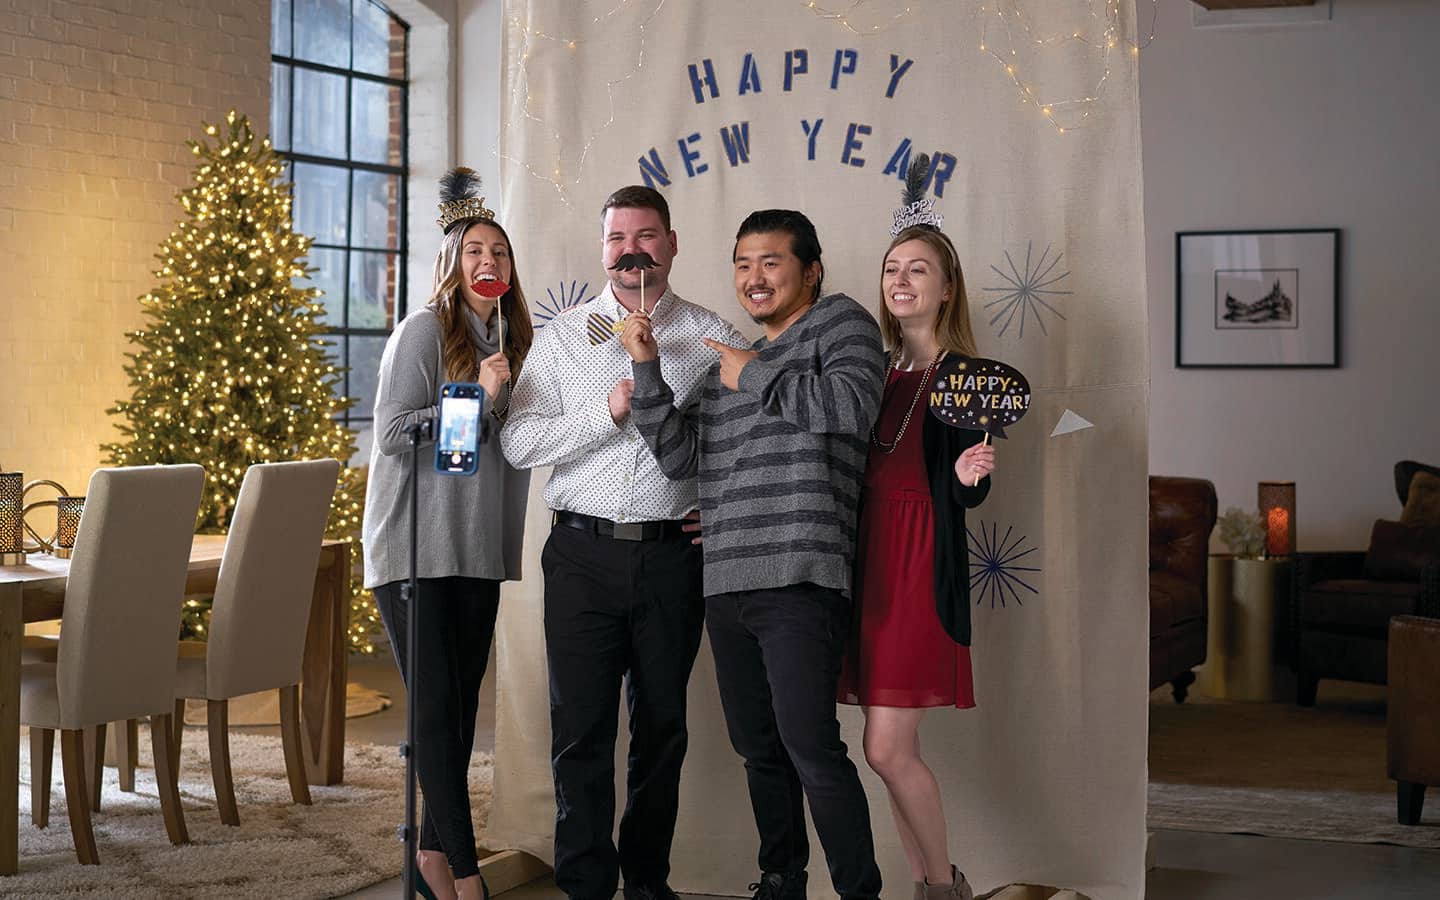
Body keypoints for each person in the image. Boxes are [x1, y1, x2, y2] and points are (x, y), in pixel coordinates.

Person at [626, 209, 886, 900]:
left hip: (801, 574)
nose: (753, 277)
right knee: (759, 750)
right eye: (743, 263)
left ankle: (861, 891)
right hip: (728, 582)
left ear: (811, 270)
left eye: (771, 261)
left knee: (811, 748)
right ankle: (781, 879)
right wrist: (646, 371)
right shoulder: (727, 364)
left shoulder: (842, 324)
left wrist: (753, 376)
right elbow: (682, 459)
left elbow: (852, 410)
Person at [500, 185, 744, 900]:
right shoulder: (561, 337)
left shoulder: (709, 338)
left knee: (663, 732)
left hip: (675, 557)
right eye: (616, 238)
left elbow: (736, 452)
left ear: (670, 243)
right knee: (579, 732)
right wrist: (607, 413)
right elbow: (517, 442)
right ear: (603, 248)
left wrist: (720, 515)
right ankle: (583, 885)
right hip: (581, 556)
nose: (630, 250)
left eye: (645, 235)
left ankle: (647, 885)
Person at [362, 168, 533, 900]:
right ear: (452, 264)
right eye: (475, 251)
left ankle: (432, 854)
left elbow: (483, 456)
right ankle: (464, 874)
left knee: (459, 716)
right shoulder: (423, 331)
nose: (489, 260)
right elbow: (397, 432)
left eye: (499, 250)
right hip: (416, 553)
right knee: (436, 714)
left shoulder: (506, 337)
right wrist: (474, 396)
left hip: (475, 553)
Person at [836, 224, 996, 900]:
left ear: (947, 288)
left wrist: (966, 474)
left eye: (920, 270)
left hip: (918, 568)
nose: (901, 280)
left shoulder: (967, 376)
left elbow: (973, 488)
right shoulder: (873, 369)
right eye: (893, 268)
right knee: (888, 755)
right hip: (864, 567)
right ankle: (927, 886)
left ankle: (945, 890)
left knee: (885, 749)